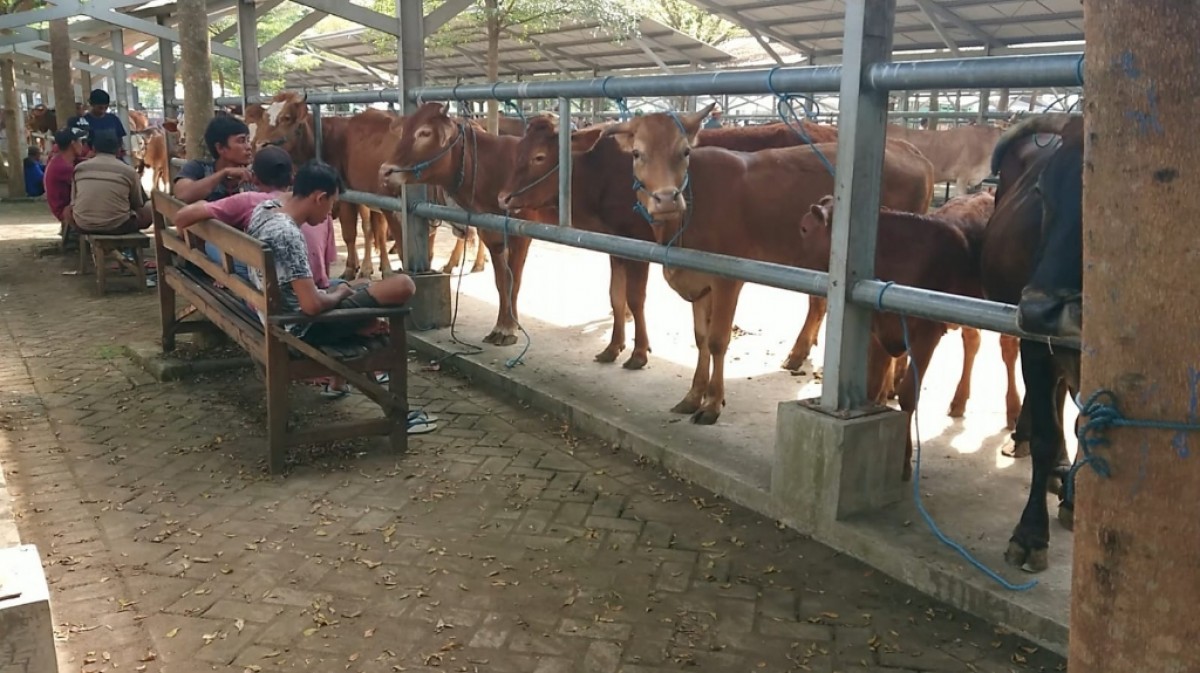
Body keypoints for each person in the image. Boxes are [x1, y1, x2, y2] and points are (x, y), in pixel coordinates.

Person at [246, 160, 414, 343]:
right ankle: (362, 327)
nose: (329, 214)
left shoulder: (264, 210)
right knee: (403, 285)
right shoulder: (288, 234)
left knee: (363, 282)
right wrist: (340, 293)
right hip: (302, 327)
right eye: (332, 203)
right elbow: (312, 306)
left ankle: (361, 324)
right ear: (319, 198)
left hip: (278, 313)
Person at [69, 130, 150, 235]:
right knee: (149, 206)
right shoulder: (128, 171)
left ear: (93, 148)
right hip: (118, 226)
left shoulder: (80, 169)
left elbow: (73, 200)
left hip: (83, 225)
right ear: (118, 150)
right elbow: (137, 203)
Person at [173, 115, 255, 203]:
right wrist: (224, 173)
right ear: (220, 148)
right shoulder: (198, 168)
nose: (249, 147)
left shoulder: (256, 173)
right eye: (241, 141)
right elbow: (182, 194)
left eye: (248, 140)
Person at [44, 127, 88, 245]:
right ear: (73, 144)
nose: (82, 145)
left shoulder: (62, 160)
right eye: (80, 141)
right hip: (65, 211)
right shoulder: (62, 167)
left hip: (68, 207)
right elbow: (87, 185)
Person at [66, 89, 128, 159]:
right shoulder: (83, 122)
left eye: (106, 107)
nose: (103, 110)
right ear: (92, 104)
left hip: (114, 157)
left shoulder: (114, 119)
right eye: (100, 108)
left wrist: (120, 150)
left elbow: (120, 140)